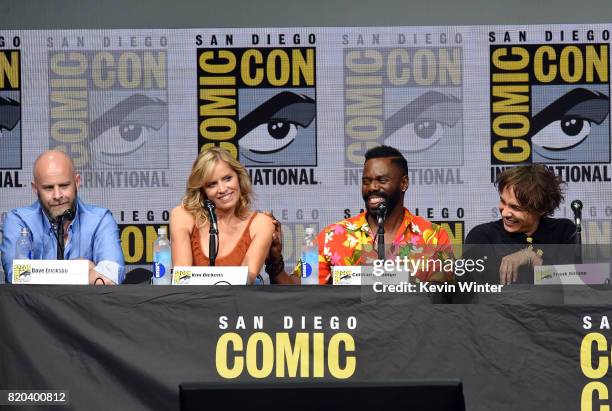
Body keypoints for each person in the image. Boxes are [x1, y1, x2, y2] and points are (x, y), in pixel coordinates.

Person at [0, 150, 125, 284]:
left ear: (77, 182)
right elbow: (18, 276)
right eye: (48, 188)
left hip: (84, 305)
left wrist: (41, 273)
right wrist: (81, 270)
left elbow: (111, 276)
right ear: (35, 188)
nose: (57, 195)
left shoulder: (100, 220)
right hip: (35, 306)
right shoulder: (19, 220)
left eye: (64, 186)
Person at [170, 147, 275, 284]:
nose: (222, 189)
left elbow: (245, 282)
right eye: (212, 184)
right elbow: (182, 281)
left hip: (238, 303)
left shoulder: (261, 223)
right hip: (192, 303)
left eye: (227, 178)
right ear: (202, 190)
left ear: (239, 177)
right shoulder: (182, 215)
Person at [464, 165, 577, 285]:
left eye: (515, 207)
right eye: (503, 201)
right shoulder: (482, 236)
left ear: (541, 209)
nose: (505, 213)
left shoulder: (564, 231)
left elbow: (582, 279)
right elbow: (469, 289)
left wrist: (533, 259)